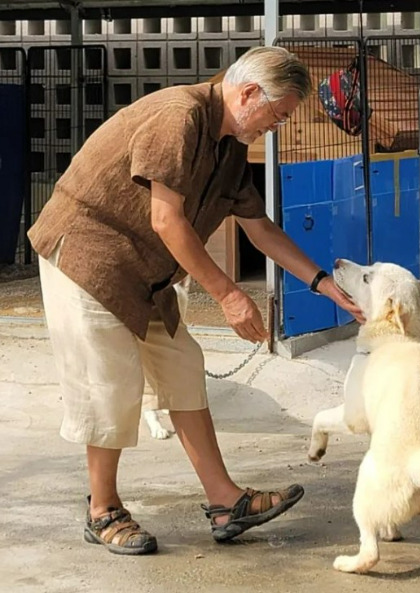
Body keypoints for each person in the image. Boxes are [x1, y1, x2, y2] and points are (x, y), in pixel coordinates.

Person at [28, 46, 363, 555]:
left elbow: (260, 229)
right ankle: (103, 509)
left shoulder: (230, 146)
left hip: (146, 271)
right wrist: (228, 295)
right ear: (249, 93)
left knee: (183, 364)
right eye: (279, 113)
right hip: (88, 255)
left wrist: (322, 283)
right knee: (112, 382)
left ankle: (226, 501)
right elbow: (167, 220)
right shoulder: (180, 115)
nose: (278, 125)